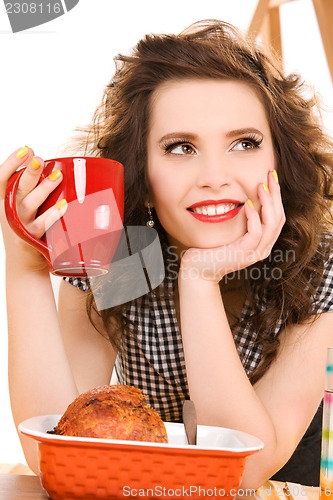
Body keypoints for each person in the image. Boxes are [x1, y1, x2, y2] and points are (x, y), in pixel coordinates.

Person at [1, 19, 333, 488]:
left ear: (279, 161)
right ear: (146, 179)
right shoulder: (121, 256)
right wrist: (24, 264)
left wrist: (199, 280)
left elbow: (245, 470)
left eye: (245, 143)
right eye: (181, 147)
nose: (215, 175)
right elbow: (52, 443)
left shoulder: (319, 266)